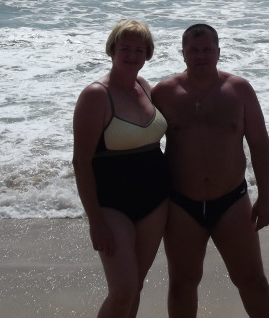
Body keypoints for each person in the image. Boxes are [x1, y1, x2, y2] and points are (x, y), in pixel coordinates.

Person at [152, 23, 269, 318]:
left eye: (207, 49)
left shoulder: (239, 90)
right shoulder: (164, 93)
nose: (201, 56)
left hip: (232, 201)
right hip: (181, 204)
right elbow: (144, 147)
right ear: (183, 53)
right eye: (194, 50)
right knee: (182, 284)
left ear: (218, 52)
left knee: (252, 280)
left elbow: (260, 144)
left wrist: (266, 198)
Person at [72, 19, 170, 318]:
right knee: (123, 290)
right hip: (112, 204)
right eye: (125, 48)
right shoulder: (96, 95)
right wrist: (95, 221)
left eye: (139, 50)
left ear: (147, 54)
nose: (132, 55)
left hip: (155, 199)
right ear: (112, 50)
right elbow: (81, 162)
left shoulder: (145, 86)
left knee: (136, 286)